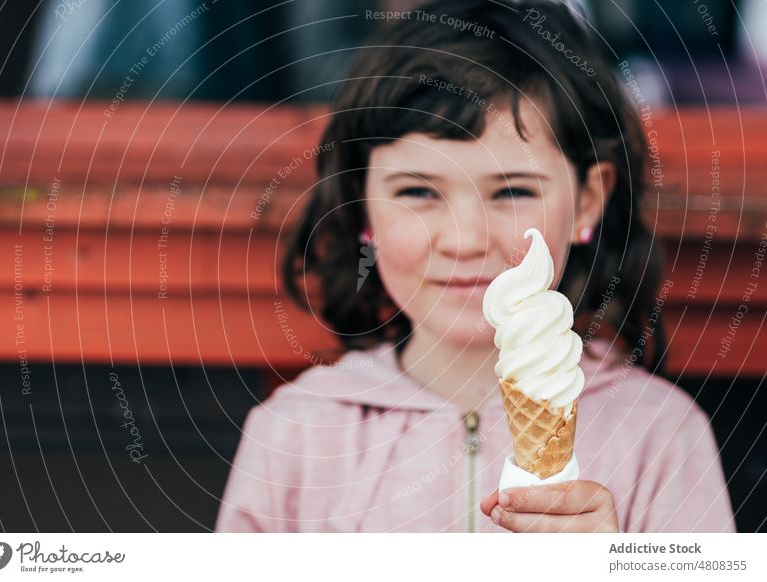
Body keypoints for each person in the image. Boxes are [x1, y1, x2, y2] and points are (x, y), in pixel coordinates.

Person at [215, 0, 735, 533]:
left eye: (512, 190)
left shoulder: (660, 435)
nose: (465, 239)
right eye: (417, 190)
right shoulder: (291, 435)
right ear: (361, 204)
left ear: (587, 201)